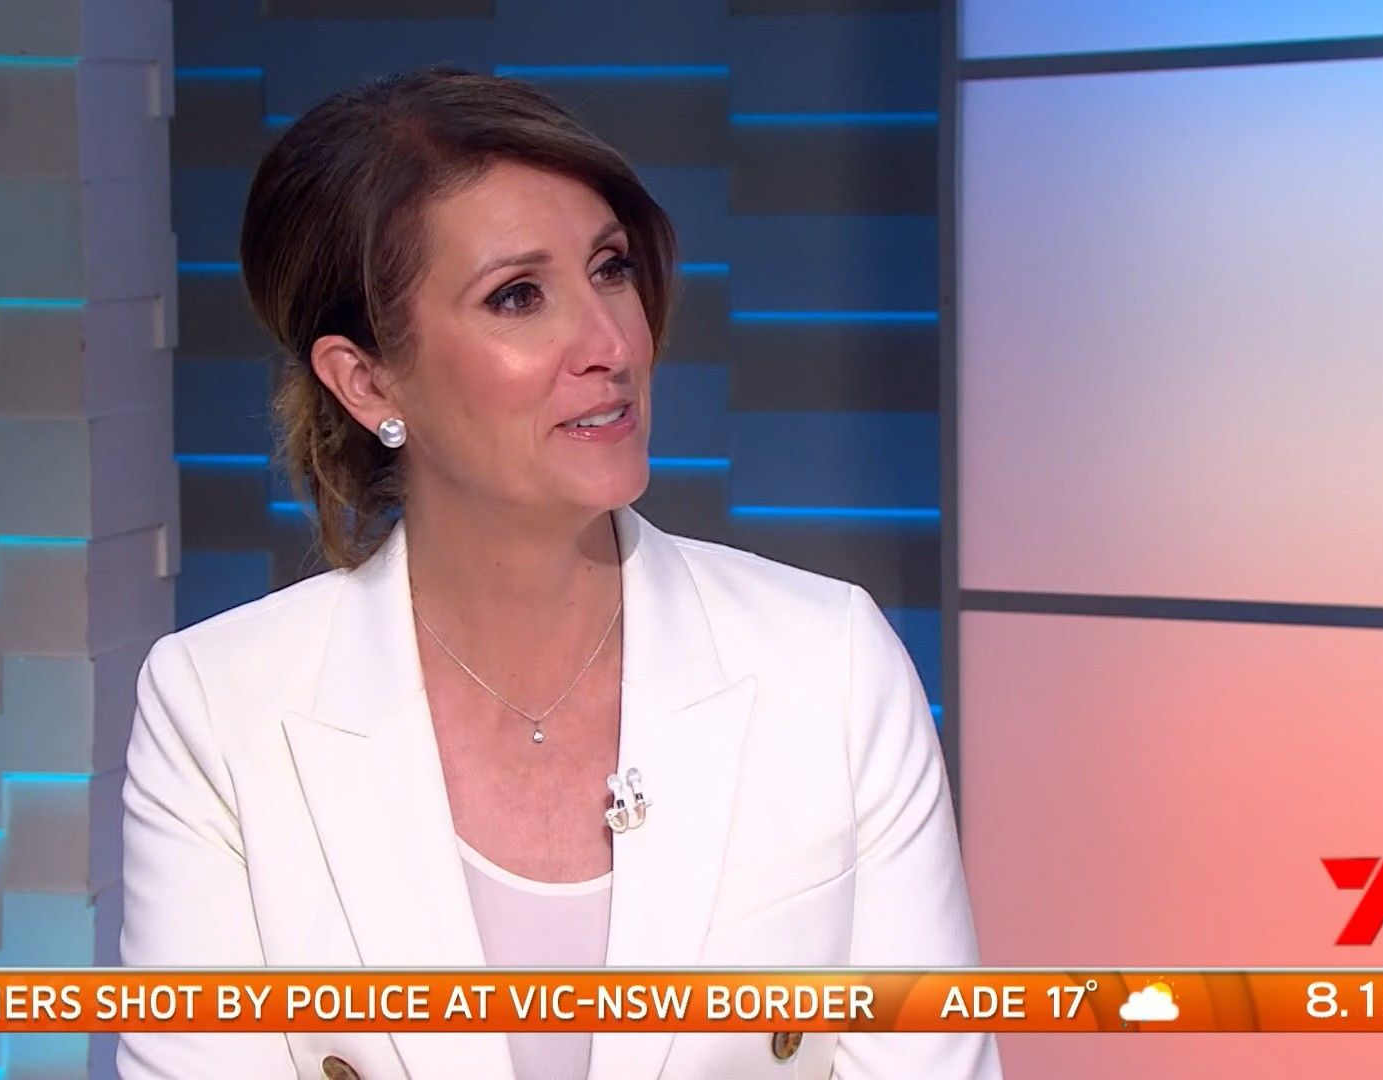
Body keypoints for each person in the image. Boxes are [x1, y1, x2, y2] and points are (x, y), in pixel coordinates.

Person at [117, 65, 1000, 1080]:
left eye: (610, 269)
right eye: (518, 296)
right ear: (367, 381)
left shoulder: (829, 665)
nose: (611, 342)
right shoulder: (217, 712)